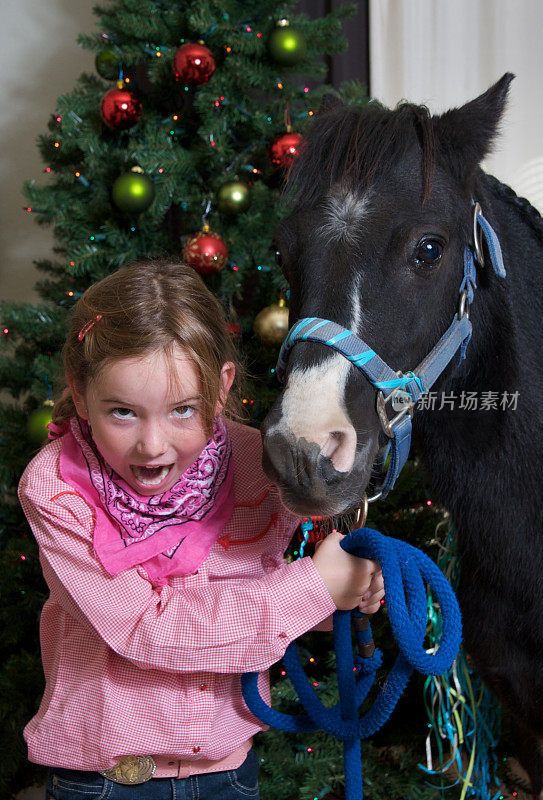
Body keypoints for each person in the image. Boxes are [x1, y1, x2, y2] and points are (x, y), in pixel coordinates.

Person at [19, 260, 385, 800]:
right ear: (79, 391)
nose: (152, 445)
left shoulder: (259, 465)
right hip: (105, 781)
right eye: (123, 412)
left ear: (220, 390)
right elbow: (145, 629)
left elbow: (275, 593)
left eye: (182, 410)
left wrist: (342, 594)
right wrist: (313, 588)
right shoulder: (56, 489)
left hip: (227, 773)